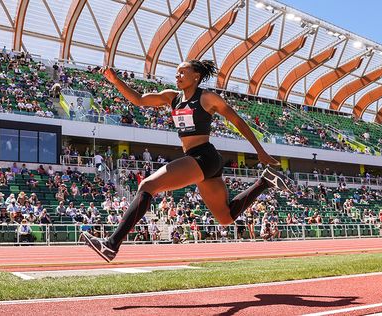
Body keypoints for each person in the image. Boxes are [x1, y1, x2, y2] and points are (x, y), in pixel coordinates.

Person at [81, 60, 292, 262]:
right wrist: (116, 80)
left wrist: (260, 151)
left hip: (204, 156)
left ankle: (111, 244)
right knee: (226, 217)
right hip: (201, 160)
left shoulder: (207, 98)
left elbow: (237, 121)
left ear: (196, 76)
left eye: (183, 72)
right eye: (176, 72)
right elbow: (139, 100)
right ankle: (264, 182)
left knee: (147, 185)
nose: (177, 75)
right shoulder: (171, 97)